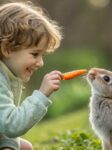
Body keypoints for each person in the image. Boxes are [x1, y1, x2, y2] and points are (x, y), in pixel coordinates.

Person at [0, 1, 63, 150]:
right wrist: (41, 95)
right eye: (35, 54)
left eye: (42, 55)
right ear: (7, 49)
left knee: (25, 147)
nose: (40, 63)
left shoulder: (8, 74)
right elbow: (11, 125)